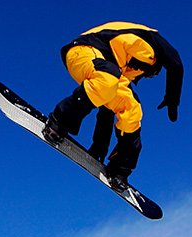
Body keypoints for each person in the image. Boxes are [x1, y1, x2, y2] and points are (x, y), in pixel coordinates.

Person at [42, 22, 183, 187]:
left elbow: (106, 108)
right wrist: (172, 99)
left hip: (105, 70)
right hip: (83, 51)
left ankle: (120, 169)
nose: (143, 76)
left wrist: (99, 145)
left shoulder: (122, 66)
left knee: (131, 107)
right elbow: (176, 62)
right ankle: (59, 122)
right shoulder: (151, 38)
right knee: (108, 80)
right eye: (149, 74)